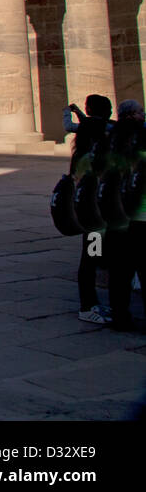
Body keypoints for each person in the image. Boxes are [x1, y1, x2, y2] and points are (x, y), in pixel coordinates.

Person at [67, 94, 115, 324]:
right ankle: (87, 306)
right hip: (94, 218)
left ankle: (94, 303)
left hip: (91, 214)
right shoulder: (92, 160)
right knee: (91, 258)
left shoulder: (82, 151)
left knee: (95, 258)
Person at [105, 100, 145, 331]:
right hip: (140, 218)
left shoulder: (108, 143)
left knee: (119, 272)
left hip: (115, 219)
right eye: (140, 112)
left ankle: (119, 316)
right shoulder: (141, 146)